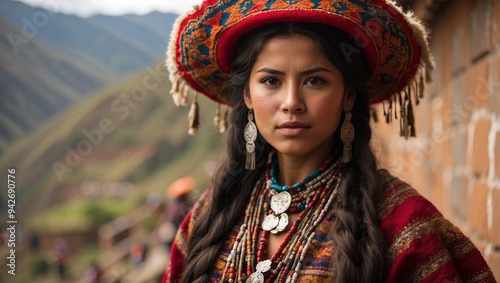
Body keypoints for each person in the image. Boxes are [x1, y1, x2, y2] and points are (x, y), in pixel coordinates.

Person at [162, 1, 496, 282]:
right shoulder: (211, 214)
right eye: (270, 81)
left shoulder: (404, 224)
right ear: (247, 95)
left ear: (348, 95)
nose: (291, 101)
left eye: (315, 80)